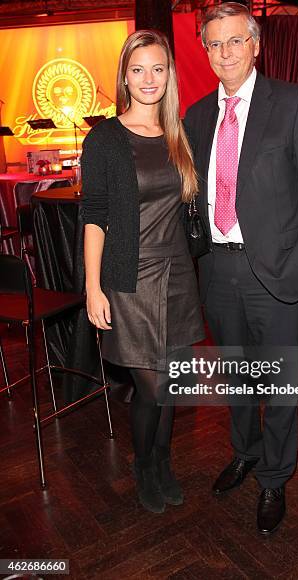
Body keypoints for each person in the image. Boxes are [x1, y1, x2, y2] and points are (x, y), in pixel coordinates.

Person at [184, 3, 298, 535]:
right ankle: (246, 452)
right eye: (214, 44)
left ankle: (275, 477)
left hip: (277, 277)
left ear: (256, 45)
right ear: (205, 52)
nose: (224, 52)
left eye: (234, 41)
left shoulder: (294, 105)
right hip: (218, 273)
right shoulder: (198, 115)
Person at [81, 30, 204, 514]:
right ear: (125, 77)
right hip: (129, 278)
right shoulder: (105, 138)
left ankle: (163, 460)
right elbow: (94, 214)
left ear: (169, 74)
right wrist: (93, 287)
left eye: (158, 68)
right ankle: (144, 464)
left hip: (177, 274)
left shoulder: (181, 133)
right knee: (150, 385)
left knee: (171, 382)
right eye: (138, 70)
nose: (149, 79)